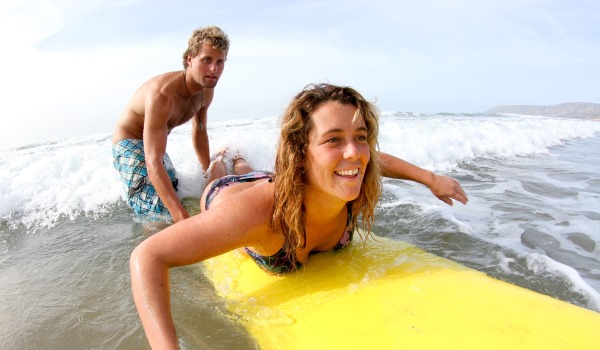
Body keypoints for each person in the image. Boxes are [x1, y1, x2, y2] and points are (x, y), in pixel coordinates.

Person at [130, 83, 468, 349]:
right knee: (218, 176)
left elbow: (378, 159)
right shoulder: (261, 215)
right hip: (229, 196)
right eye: (333, 139)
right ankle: (222, 158)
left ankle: (240, 160)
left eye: (360, 137)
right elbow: (148, 257)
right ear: (301, 153)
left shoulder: (350, 174)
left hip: (275, 181)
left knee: (255, 170)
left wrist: (431, 179)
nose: (354, 153)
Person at [112, 26, 229, 222]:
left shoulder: (206, 91)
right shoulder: (163, 95)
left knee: (175, 193)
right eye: (207, 60)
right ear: (190, 59)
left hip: (152, 142)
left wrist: (207, 171)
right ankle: (153, 247)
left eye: (220, 62)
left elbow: (199, 131)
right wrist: (182, 220)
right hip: (129, 144)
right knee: (158, 210)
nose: (213, 69)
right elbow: (153, 162)